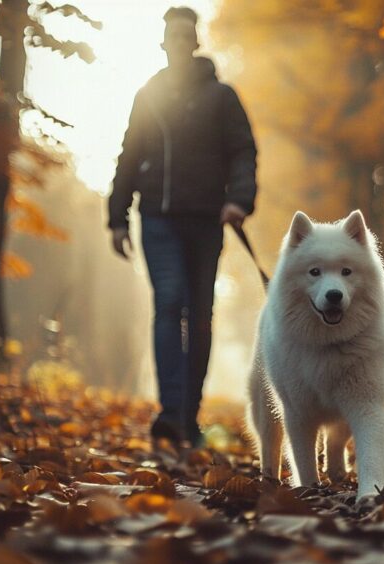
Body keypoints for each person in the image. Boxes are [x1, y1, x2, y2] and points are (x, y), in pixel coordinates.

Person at [108, 6, 257, 447]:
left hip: (207, 219)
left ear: (194, 43)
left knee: (201, 315)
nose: (177, 44)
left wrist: (238, 200)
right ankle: (170, 411)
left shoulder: (222, 97)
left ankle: (188, 414)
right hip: (156, 217)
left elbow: (243, 151)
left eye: (184, 37)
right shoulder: (147, 94)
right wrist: (116, 218)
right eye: (170, 37)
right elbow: (128, 155)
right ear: (163, 43)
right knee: (170, 302)